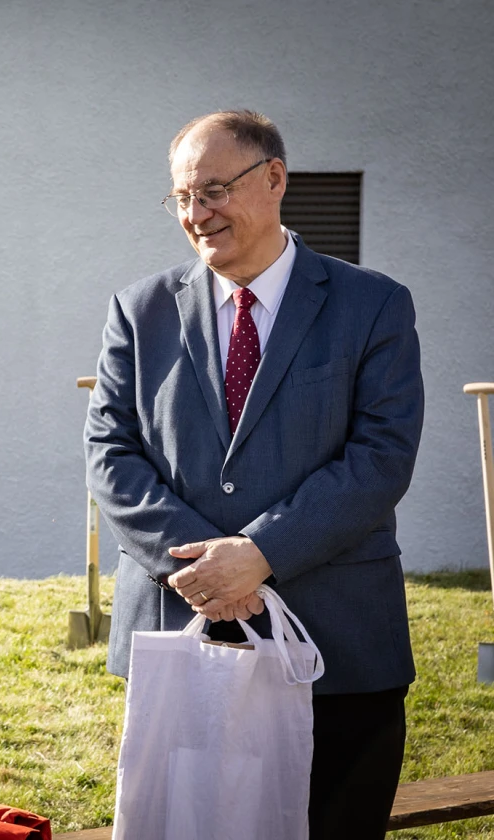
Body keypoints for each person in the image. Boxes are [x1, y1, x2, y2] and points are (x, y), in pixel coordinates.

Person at [85, 110, 424, 839]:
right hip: (184, 636)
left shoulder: (373, 306)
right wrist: (208, 567)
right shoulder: (139, 311)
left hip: (340, 648)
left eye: (213, 191)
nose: (196, 214)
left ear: (274, 179)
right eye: (182, 197)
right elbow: (110, 455)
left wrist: (261, 552)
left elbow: (381, 456)